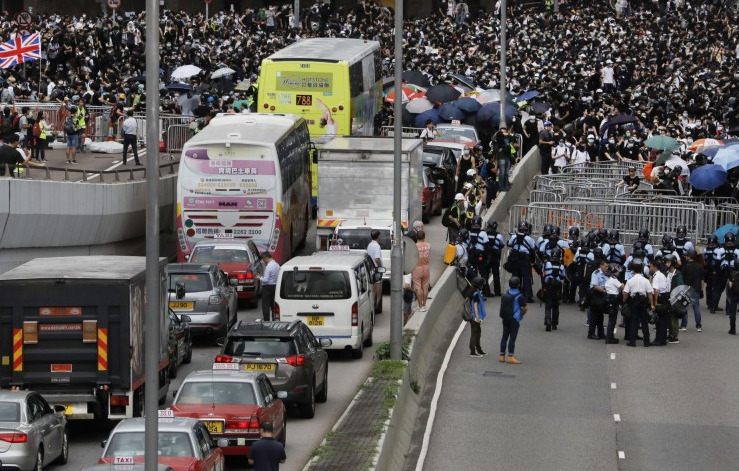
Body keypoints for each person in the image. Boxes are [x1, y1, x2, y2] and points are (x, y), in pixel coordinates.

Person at [623, 258, 653, 348]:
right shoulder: (646, 280)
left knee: (634, 322)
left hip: (634, 302)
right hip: (643, 302)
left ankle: (632, 342)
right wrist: (651, 304)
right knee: (644, 322)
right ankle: (646, 342)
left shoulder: (630, 280)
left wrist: (624, 302)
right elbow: (650, 293)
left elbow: (625, 293)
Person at [499, 276, 527, 364]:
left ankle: (502, 356)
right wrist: (522, 314)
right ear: (518, 285)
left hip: (505, 318)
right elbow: (524, 308)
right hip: (514, 319)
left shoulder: (505, 293)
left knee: (504, 336)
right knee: (512, 338)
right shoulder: (519, 296)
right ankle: (510, 356)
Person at [542, 248, 566, 332]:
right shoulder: (561, 266)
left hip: (548, 286)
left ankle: (547, 321)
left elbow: (543, 275)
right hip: (557, 287)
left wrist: (544, 286)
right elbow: (563, 276)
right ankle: (554, 324)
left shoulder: (546, 264)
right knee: (556, 306)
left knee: (548, 306)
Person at [680, 250, 703, 332]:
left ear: (689, 257)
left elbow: (681, 279)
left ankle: (683, 325)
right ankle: (698, 325)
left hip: (686, 289)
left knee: (684, 307)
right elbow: (702, 280)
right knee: (696, 307)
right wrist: (701, 290)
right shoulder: (699, 266)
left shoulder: (685, 267)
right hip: (696, 289)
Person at [649, 259, 670, 346]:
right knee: (663, 320)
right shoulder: (661, 275)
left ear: (655, 267)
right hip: (665, 297)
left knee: (659, 320)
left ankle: (659, 339)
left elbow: (656, 290)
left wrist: (655, 302)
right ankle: (663, 339)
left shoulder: (657, 276)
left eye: (651, 266)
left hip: (660, 298)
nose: (650, 268)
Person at [604, 264, 624, 344]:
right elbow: (622, 287)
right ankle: (609, 338)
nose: (619, 273)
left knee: (611, 319)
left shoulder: (609, 279)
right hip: (613, 300)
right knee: (612, 320)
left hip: (609, 299)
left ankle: (610, 336)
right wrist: (623, 284)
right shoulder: (614, 279)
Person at [258, 252, 280, 322]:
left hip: (267, 288)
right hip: (275, 286)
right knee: (273, 305)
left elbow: (266, 280)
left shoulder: (268, 267)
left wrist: (259, 277)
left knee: (266, 306)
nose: (264, 262)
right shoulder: (277, 265)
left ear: (266, 258)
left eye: (263, 260)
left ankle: (266, 321)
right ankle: (274, 320)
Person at [468, 276, 486, 357]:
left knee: (477, 333)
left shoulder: (472, 291)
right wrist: (477, 318)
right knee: (475, 334)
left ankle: (479, 350)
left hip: (474, 317)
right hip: (475, 318)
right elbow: (475, 307)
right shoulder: (475, 294)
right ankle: (473, 352)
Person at [412, 230, 430, 311]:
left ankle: (420, 306)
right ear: (424, 237)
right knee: (425, 287)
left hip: (417, 267)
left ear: (416, 237)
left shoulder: (414, 246)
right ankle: (424, 305)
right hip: (426, 267)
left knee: (418, 288)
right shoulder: (428, 245)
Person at [367, 230, 384, 314]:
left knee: (372, 290)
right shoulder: (377, 246)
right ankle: (375, 307)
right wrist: (380, 266)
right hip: (376, 270)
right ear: (378, 236)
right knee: (377, 291)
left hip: (370, 269)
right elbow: (377, 259)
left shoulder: (369, 245)